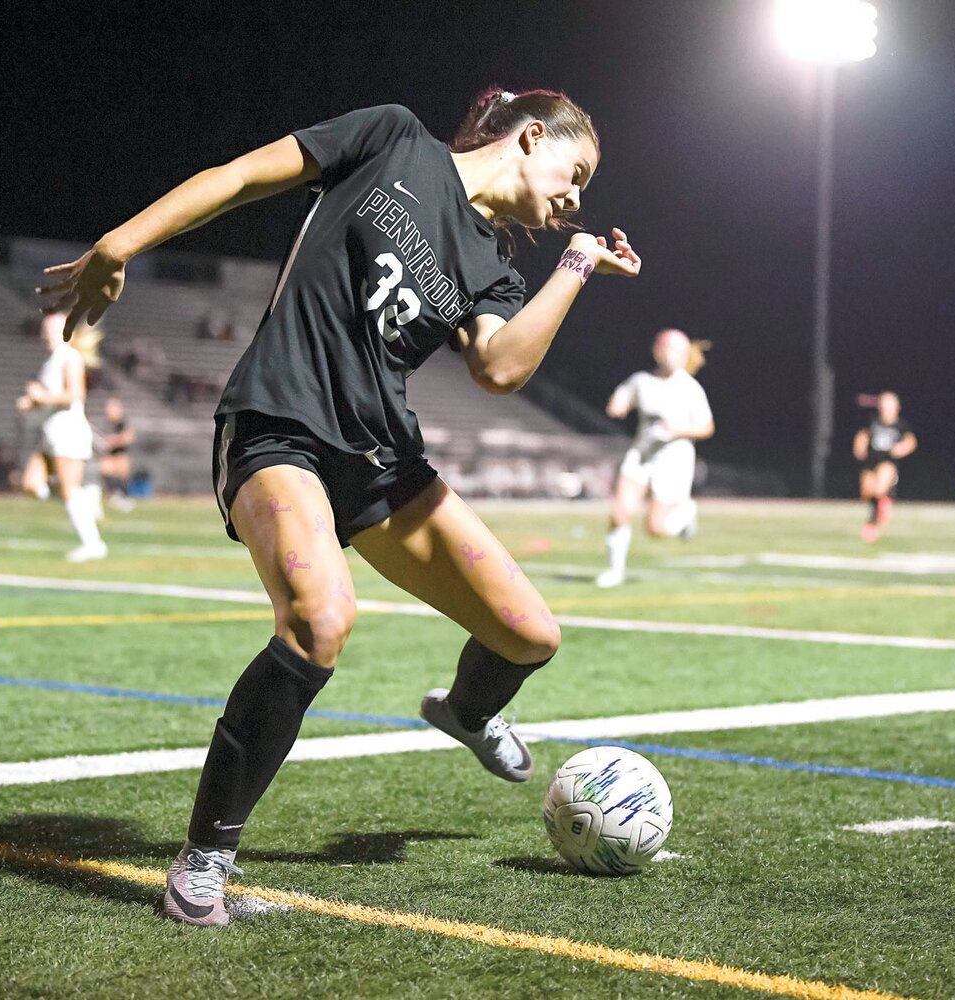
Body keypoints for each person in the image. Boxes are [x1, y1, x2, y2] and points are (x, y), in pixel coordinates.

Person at [40, 89, 637, 926]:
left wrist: (575, 265)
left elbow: (501, 369)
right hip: (278, 426)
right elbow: (243, 177)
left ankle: (464, 711)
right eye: (575, 173)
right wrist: (122, 241)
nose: (576, 196)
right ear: (530, 136)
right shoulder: (393, 138)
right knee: (321, 620)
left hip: (381, 463)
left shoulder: (494, 265)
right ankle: (204, 858)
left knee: (531, 634)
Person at [595, 328, 714, 587]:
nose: (675, 356)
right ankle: (615, 571)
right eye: (671, 349)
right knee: (619, 512)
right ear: (657, 351)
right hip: (641, 454)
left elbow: (707, 427)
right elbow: (622, 397)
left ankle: (686, 513)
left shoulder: (689, 388)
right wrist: (618, 404)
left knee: (656, 529)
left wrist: (678, 429)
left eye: (681, 351)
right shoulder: (642, 380)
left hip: (674, 461)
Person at [17, 314, 108, 561]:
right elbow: (51, 396)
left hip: (68, 430)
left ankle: (93, 544)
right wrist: (32, 402)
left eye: (49, 329)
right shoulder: (52, 360)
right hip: (51, 431)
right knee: (31, 484)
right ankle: (83, 501)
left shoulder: (70, 357)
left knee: (68, 489)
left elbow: (76, 394)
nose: (43, 334)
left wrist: (41, 397)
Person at [853, 391, 916, 542]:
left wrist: (902, 448)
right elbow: (863, 435)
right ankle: (885, 500)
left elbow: (910, 441)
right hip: (871, 461)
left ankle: (871, 524)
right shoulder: (873, 421)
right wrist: (859, 446)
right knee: (867, 493)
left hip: (888, 462)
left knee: (880, 487)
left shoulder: (901, 424)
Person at [98, 397, 137, 511]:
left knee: (113, 468)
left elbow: (128, 437)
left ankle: (124, 497)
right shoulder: (107, 423)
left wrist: (113, 441)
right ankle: (114, 495)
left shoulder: (122, 422)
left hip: (120, 456)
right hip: (110, 456)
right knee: (103, 467)